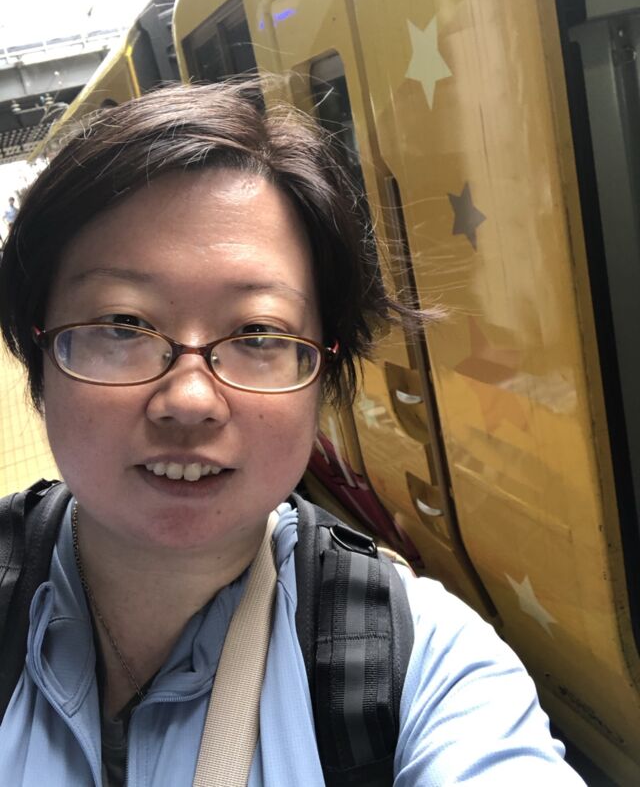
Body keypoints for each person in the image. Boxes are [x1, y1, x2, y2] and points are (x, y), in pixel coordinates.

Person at [0, 81, 586, 785]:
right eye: (122, 325)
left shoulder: (425, 668)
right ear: (38, 348)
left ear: (322, 374)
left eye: (258, 334)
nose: (190, 400)